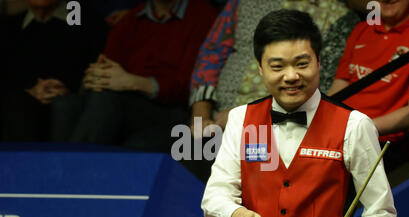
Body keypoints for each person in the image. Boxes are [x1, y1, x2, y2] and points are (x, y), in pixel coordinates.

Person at [201, 9, 397, 217]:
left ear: (319, 61)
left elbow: (382, 214)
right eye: (277, 66)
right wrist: (234, 213)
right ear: (260, 68)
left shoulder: (354, 126)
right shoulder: (241, 119)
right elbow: (214, 196)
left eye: (302, 64)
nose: (291, 76)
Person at [52, 0, 218, 152]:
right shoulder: (131, 19)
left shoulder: (202, 15)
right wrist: (96, 78)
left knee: (105, 100)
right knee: (65, 105)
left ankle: (69, 174)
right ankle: (53, 172)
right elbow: (107, 67)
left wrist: (133, 83)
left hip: (170, 109)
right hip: (124, 104)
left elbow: (196, 84)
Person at [189, 0, 367, 135]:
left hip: (279, 126)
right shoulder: (244, 2)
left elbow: (320, 88)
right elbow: (212, 53)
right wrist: (201, 116)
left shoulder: (341, 19)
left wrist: (248, 115)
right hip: (215, 116)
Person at [328, 0, 409, 172]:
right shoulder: (362, 29)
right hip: (339, 135)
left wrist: (356, 130)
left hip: (379, 143)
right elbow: (340, 86)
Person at [0, 0, 107, 142]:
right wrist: (29, 92)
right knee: (17, 104)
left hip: (72, 104)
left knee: (64, 106)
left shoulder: (87, 20)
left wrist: (69, 90)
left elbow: (100, 71)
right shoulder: (9, 27)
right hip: (20, 108)